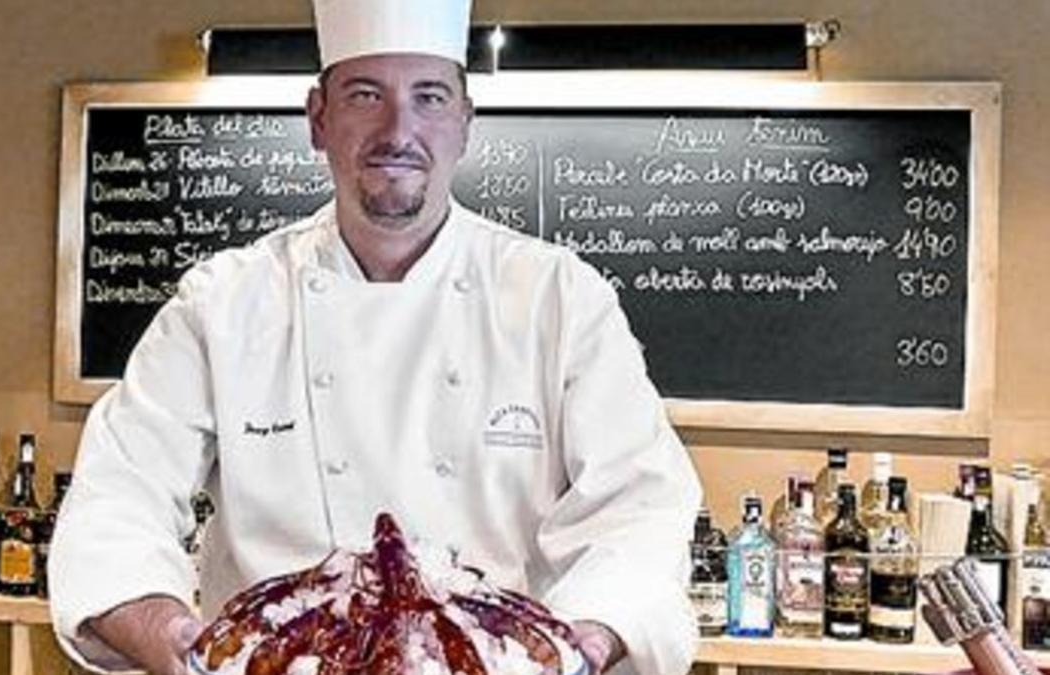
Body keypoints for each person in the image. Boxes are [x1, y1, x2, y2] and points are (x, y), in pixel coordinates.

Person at [49, 1, 703, 674]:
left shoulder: (560, 298)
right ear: (318, 119)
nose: (399, 129)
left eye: (429, 96)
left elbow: (639, 509)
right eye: (366, 94)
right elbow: (119, 495)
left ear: (464, 123)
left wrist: (581, 645)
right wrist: (181, 642)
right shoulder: (223, 303)